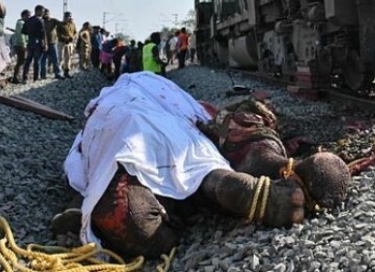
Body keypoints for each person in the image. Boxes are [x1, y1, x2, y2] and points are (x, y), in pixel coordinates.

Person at [56, 72, 349, 259]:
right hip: (167, 108)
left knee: (129, 157)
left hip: (125, 116)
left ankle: (194, 194)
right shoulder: (163, 88)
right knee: (195, 143)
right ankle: (251, 169)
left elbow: (81, 154)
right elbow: (204, 116)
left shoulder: (109, 98)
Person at [21, 5, 48, 83]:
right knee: (37, 61)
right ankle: (35, 78)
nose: (43, 13)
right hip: (38, 42)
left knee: (28, 60)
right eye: (42, 12)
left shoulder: (28, 20)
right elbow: (43, 33)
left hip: (30, 41)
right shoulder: (41, 20)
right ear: (38, 11)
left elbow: (24, 31)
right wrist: (45, 44)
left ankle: (24, 78)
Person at [41, 9, 64, 80]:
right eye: (44, 13)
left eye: (47, 13)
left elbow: (61, 24)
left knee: (55, 59)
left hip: (53, 43)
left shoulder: (53, 20)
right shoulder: (41, 21)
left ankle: (58, 73)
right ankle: (43, 75)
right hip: (44, 43)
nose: (45, 15)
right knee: (43, 60)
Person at [10, 10, 29, 84]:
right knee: (20, 62)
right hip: (20, 45)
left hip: (20, 44)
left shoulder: (22, 23)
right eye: (28, 15)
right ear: (23, 15)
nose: (29, 17)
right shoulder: (21, 23)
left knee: (21, 62)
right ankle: (16, 78)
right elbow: (21, 35)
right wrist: (24, 44)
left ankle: (17, 77)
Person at [58, 12, 77, 78]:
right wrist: (66, 38)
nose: (68, 17)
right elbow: (58, 33)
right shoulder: (60, 24)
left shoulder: (72, 24)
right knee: (61, 58)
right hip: (62, 43)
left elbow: (75, 32)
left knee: (68, 58)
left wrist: (73, 37)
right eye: (67, 16)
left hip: (70, 43)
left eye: (69, 16)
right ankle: (59, 72)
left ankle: (67, 72)